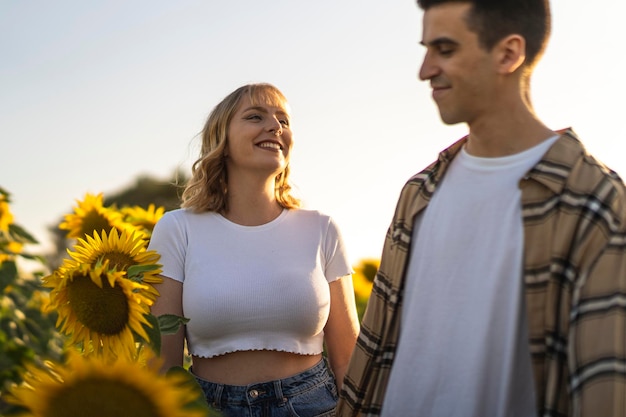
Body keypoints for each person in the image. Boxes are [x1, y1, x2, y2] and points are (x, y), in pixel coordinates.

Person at [337, 1, 626, 416]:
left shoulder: (593, 200)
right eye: (426, 49)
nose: (424, 70)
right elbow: (372, 357)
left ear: (508, 53)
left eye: (445, 49)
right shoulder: (419, 193)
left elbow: (605, 390)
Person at [149, 82, 360, 416]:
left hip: (314, 406)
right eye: (255, 116)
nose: (275, 126)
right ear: (223, 140)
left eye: (284, 120)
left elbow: (348, 358)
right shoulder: (177, 229)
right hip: (209, 408)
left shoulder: (323, 229)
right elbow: (163, 363)